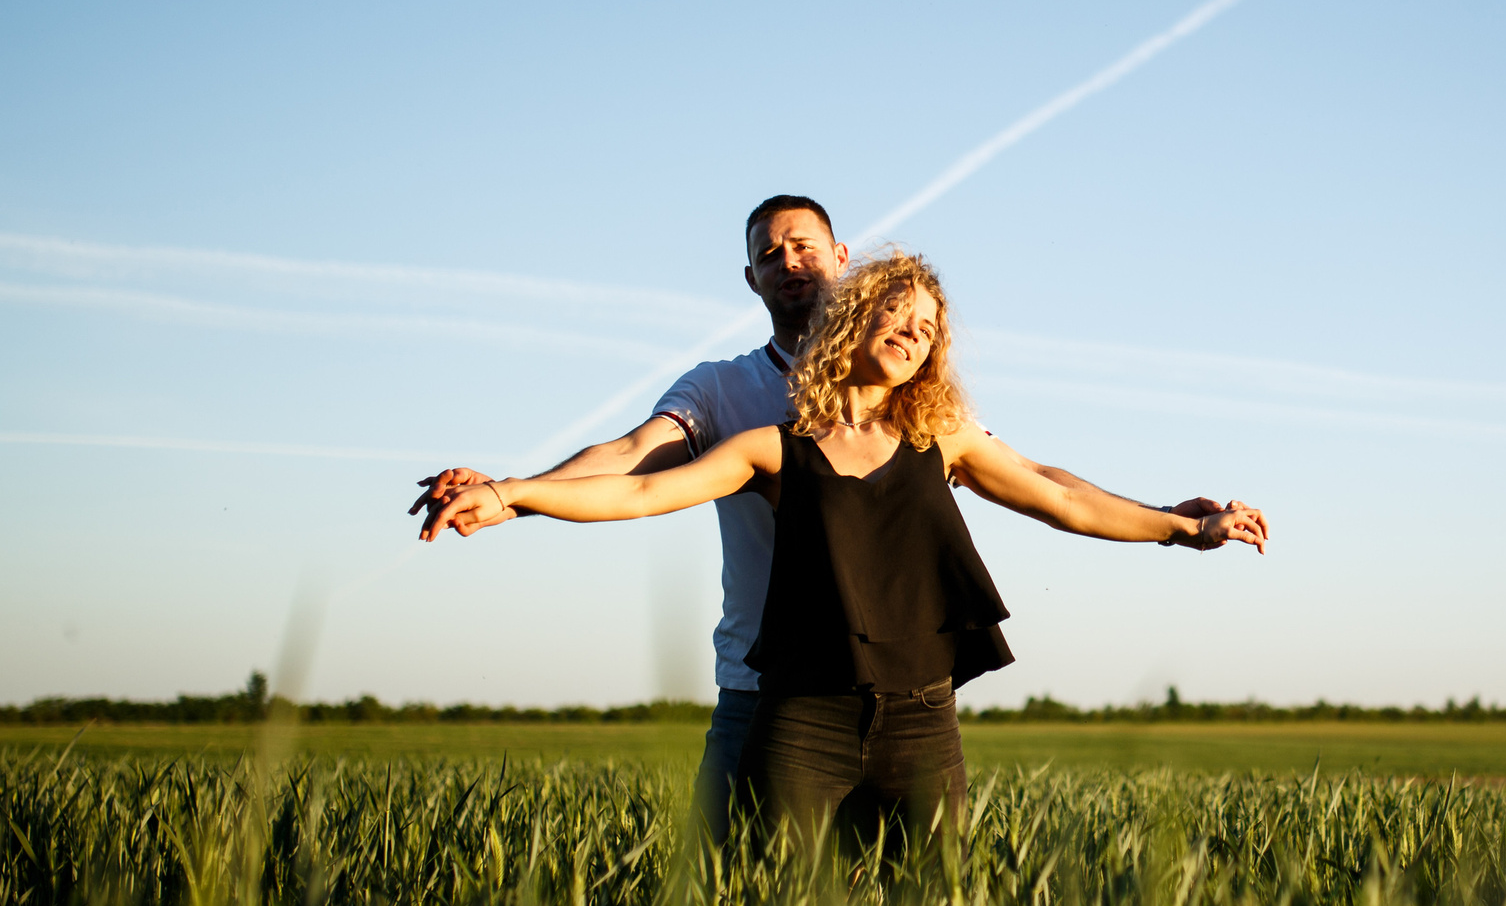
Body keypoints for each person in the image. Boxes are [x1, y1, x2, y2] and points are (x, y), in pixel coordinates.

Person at [411, 194, 1227, 837]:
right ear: (752, 280)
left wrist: (1175, 522)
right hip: (768, 692)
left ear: (845, 261)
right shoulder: (732, 397)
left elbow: (1049, 488)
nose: (789, 261)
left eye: (805, 245)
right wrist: (518, 491)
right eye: (770, 253)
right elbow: (634, 468)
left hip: (909, 703)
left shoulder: (927, 415)